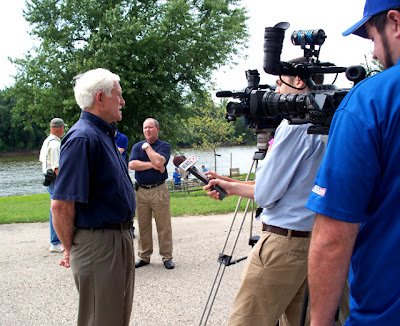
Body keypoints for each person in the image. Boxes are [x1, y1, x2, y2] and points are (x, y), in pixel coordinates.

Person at [204, 72, 326, 326]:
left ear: (299, 82)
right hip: (312, 242)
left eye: (280, 83)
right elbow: (291, 185)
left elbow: (267, 194)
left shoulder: (294, 125)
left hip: (283, 245)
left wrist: (232, 188)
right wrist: (230, 182)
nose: (275, 90)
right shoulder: (323, 121)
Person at [306, 1, 400, 325]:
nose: (374, 54)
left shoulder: (370, 102)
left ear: (395, 23)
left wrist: (319, 321)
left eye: (373, 38)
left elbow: (332, 238)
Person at [51, 68, 136, 326]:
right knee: (100, 320)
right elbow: (61, 205)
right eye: (118, 96)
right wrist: (71, 248)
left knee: (116, 318)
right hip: (99, 244)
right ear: (100, 98)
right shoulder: (83, 138)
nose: (122, 101)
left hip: (117, 239)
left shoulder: (102, 134)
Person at [129, 118, 174, 270]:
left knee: (164, 225)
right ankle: (144, 256)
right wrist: (153, 165)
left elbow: (160, 161)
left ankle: (167, 256)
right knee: (143, 226)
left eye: (150, 127)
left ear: (157, 129)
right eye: (145, 128)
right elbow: (132, 164)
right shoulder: (136, 146)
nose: (147, 130)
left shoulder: (164, 146)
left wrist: (147, 147)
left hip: (159, 190)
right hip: (141, 191)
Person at [39, 117, 65, 252]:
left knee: (54, 208)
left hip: (49, 178)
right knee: (57, 209)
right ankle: (55, 241)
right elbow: (57, 167)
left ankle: (56, 239)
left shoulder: (47, 141)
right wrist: (64, 183)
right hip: (55, 180)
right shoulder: (55, 144)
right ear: (61, 128)